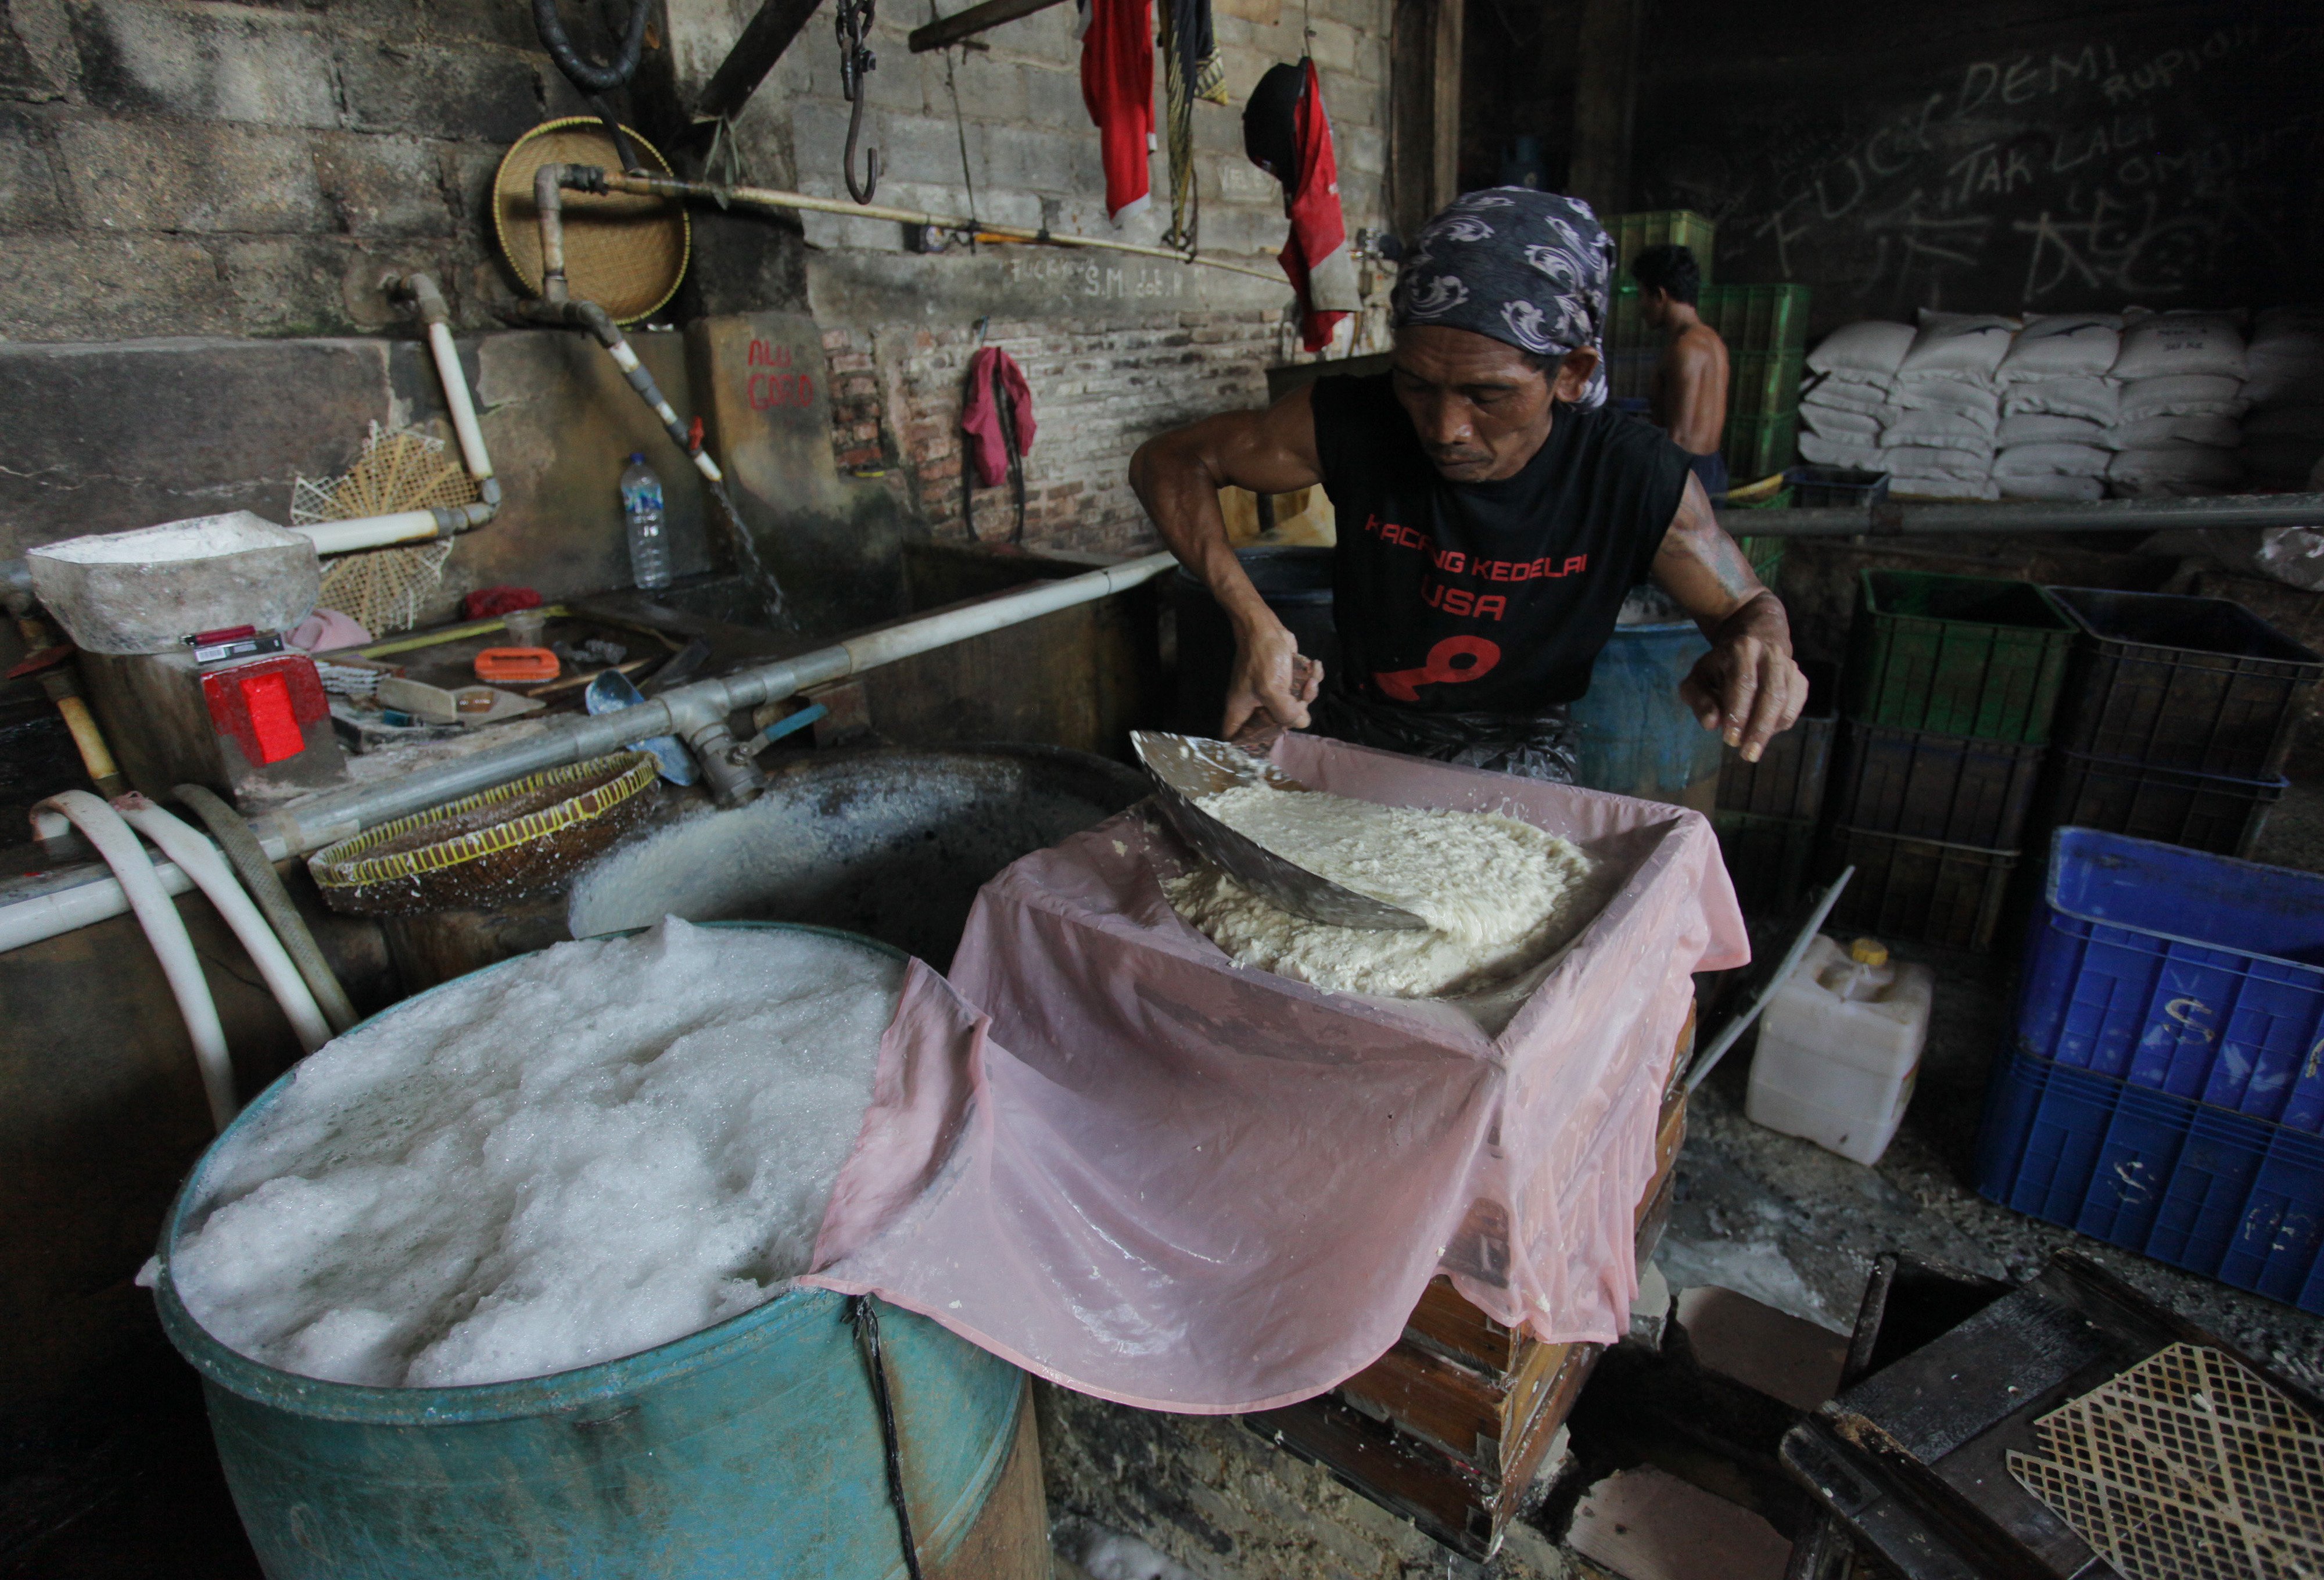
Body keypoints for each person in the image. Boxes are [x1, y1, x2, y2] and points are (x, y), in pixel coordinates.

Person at [1129, 189, 1805, 781]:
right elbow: (1168, 461)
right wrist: (1253, 621)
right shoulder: (1355, 419)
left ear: (1570, 371)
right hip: (1357, 719)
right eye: (1418, 384)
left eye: (1487, 394)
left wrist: (1763, 645)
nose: (1445, 428)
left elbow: (1746, 605)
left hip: (1521, 745)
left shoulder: (1628, 472)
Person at [1631, 243, 1731, 501]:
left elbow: (1680, 437)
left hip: (1685, 471)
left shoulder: (1683, 348)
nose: (1641, 306)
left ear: (1661, 296)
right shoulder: (1714, 342)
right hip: (1714, 468)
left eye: (1642, 295)